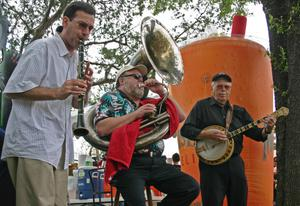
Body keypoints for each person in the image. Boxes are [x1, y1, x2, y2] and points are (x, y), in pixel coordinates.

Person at [1, 2, 95, 205]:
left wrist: (83, 92)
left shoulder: (74, 58)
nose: (86, 33)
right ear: (65, 21)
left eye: (90, 28)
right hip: (33, 143)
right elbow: (13, 90)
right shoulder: (41, 48)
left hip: (58, 149)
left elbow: (74, 104)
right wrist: (58, 91)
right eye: (81, 25)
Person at [94, 64, 200, 206]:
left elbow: (180, 116)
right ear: (122, 80)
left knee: (191, 188)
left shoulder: (148, 102)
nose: (141, 81)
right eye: (136, 77)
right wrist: (137, 114)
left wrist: (162, 92)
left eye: (143, 77)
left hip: (156, 163)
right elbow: (101, 128)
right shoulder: (110, 98)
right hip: (129, 164)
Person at [180, 72, 276, 206]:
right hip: (211, 166)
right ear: (212, 88)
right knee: (212, 202)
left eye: (227, 87)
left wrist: (268, 129)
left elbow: (257, 134)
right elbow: (185, 130)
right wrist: (206, 134)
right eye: (219, 87)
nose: (223, 90)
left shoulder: (239, 111)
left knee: (239, 201)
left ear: (230, 89)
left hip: (235, 162)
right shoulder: (201, 106)